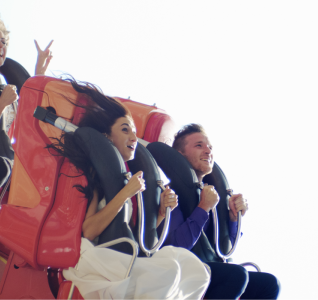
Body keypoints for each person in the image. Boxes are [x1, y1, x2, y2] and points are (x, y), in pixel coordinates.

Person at [48, 79, 210, 299]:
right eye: (125, 130)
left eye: (134, 131)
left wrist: (161, 212)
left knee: (194, 270)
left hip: (128, 255)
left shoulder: (131, 177)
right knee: (170, 272)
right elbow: (90, 230)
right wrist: (125, 193)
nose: (133, 138)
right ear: (107, 136)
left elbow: (138, 235)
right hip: (101, 259)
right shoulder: (100, 175)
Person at [158, 123, 280, 299]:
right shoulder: (170, 194)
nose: (208, 151)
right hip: (180, 271)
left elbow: (224, 249)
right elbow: (177, 247)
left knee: (268, 283)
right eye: (199, 145)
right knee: (236, 275)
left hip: (213, 269)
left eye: (210, 147)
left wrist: (233, 218)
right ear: (180, 155)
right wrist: (203, 208)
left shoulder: (213, 195)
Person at [0, 9, 53, 195]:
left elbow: (27, 121)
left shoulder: (4, 89)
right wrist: (2, 102)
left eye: (3, 42)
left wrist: (39, 73)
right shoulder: (3, 95)